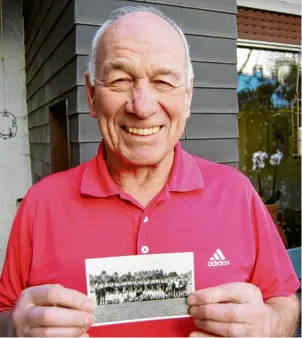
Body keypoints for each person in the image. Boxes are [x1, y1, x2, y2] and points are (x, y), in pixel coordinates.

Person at [0, 4, 300, 337]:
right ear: (91, 94)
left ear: (188, 95)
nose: (141, 107)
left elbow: (284, 301)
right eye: (119, 80)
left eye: (163, 81)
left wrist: (270, 324)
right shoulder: (40, 203)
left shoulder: (236, 192)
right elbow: (5, 310)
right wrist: (13, 328)